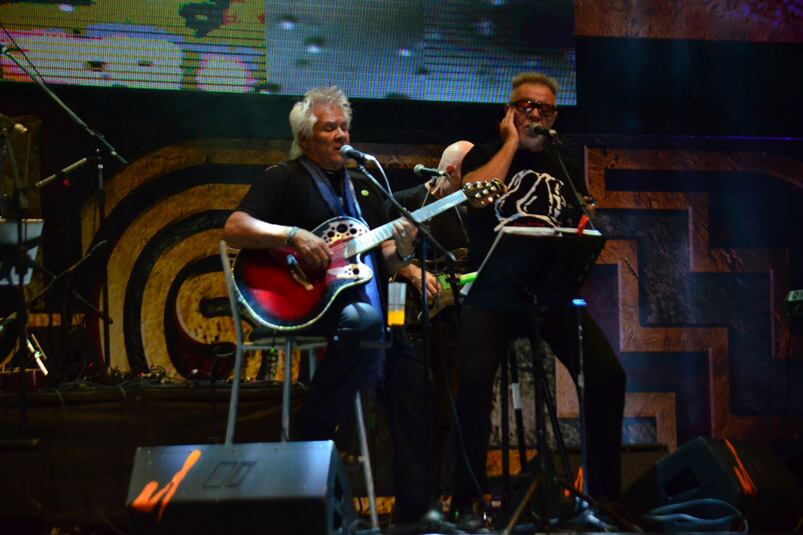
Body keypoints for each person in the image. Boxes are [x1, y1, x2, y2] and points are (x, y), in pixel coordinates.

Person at [223, 86, 431, 523]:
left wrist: (405, 251)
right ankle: (311, 435)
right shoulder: (284, 177)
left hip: (358, 307)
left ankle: (415, 514)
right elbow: (235, 228)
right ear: (305, 139)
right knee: (366, 320)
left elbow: (386, 258)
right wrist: (292, 235)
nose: (340, 134)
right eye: (328, 128)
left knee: (411, 368)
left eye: (344, 126)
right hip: (300, 304)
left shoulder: (364, 189)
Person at [452, 72, 627, 523]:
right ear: (509, 112)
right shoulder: (486, 155)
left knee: (608, 375)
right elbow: (473, 199)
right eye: (524, 105)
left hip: (547, 296)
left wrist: (584, 220)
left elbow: (575, 226)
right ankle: (468, 500)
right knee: (471, 382)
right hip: (491, 296)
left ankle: (604, 497)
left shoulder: (562, 164)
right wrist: (510, 144)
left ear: (553, 117)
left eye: (542, 108)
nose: (533, 113)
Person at [390, 141, 474, 497]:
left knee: (450, 410)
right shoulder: (405, 200)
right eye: (469, 179)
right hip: (404, 317)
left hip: (455, 322)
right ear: (451, 172)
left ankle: (447, 496)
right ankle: (409, 500)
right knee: (410, 409)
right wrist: (409, 269)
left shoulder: (469, 211)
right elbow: (380, 255)